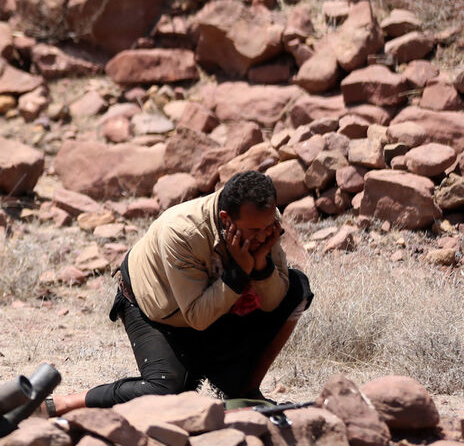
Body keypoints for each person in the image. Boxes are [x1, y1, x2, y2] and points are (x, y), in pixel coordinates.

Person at [50, 170, 313, 413]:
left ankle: (246, 391)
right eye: (255, 231)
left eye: (268, 228)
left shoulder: (264, 222)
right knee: (166, 390)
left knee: (297, 288)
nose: (263, 236)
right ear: (226, 219)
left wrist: (261, 265)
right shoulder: (182, 231)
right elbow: (197, 316)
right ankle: (68, 402)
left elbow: (273, 303)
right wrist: (238, 274)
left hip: (215, 306)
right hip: (156, 311)